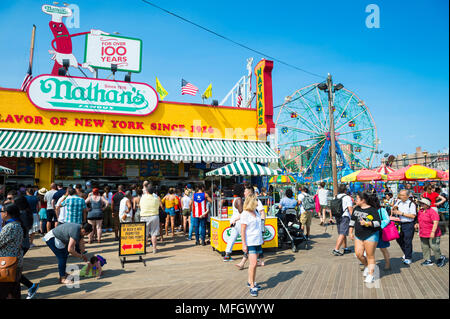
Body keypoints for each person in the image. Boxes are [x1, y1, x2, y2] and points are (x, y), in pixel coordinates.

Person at [349, 191, 382, 284]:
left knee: (370, 255)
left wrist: (368, 223)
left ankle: (371, 275)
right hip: (358, 235)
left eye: (357, 199)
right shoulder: (356, 209)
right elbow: (352, 220)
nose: (355, 200)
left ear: (363, 200)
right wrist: (350, 232)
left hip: (371, 235)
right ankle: (367, 266)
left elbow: (378, 223)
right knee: (358, 254)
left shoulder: (372, 210)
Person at [240, 193, 264, 297]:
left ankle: (251, 281)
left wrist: (262, 239)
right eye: (256, 200)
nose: (257, 202)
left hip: (257, 241)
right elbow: (243, 230)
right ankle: (252, 286)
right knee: (253, 264)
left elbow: (259, 227)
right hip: (250, 242)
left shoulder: (256, 212)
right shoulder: (245, 214)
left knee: (254, 265)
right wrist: (244, 244)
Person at [0, 203, 25, 299]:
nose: (1, 213)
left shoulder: (10, 227)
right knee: (12, 291)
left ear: (6, 213)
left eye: (1, 211)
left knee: (5, 291)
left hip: (6, 264)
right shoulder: (17, 224)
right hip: (14, 262)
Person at [415, 198, 447, 267]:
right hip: (423, 232)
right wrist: (417, 223)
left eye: (423, 203)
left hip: (433, 232)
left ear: (427, 204)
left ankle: (440, 258)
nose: (421, 204)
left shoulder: (432, 212)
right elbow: (419, 219)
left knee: (434, 246)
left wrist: (432, 232)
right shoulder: (420, 211)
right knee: (424, 246)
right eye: (421, 203)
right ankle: (427, 260)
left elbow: (435, 222)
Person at [392, 190, 417, 265]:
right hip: (399, 223)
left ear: (407, 196)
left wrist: (401, 213)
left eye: (403, 195)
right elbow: (394, 208)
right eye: (400, 195)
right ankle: (407, 252)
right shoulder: (399, 202)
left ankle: (408, 257)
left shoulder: (411, 204)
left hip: (408, 224)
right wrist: (394, 209)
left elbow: (413, 216)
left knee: (407, 241)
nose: (401, 196)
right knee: (398, 239)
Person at [223, 184, 245, 262]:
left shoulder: (235, 199)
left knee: (232, 238)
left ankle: (227, 255)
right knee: (245, 237)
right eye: (243, 190)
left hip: (234, 220)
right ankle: (248, 253)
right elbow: (241, 212)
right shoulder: (239, 199)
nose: (244, 192)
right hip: (238, 221)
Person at [332, 184, 354, 256]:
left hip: (337, 216)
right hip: (345, 216)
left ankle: (345, 248)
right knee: (342, 233)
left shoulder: (335, 196)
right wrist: (354, 218)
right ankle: (336, 249)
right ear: (345, 190)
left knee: (342, 233)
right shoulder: (347, 197)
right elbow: (350, 208)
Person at [140, 185, 162, 253]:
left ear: (146, 191)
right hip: (154, 216)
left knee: (145, 234)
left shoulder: (143, 198)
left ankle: (143, 249)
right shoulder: (156, 198)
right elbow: (158, 206)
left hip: (144, 216)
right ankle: (154, 249)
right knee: (154, 234)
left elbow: (140, 206)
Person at [374, 196, 392, 270]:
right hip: (372, 232)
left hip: (381, 232)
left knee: (383, 249)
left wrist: (379, 225)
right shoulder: (370, 210)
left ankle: (388, 263)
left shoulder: (382, 210)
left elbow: (387, 220)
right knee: (370, 249)